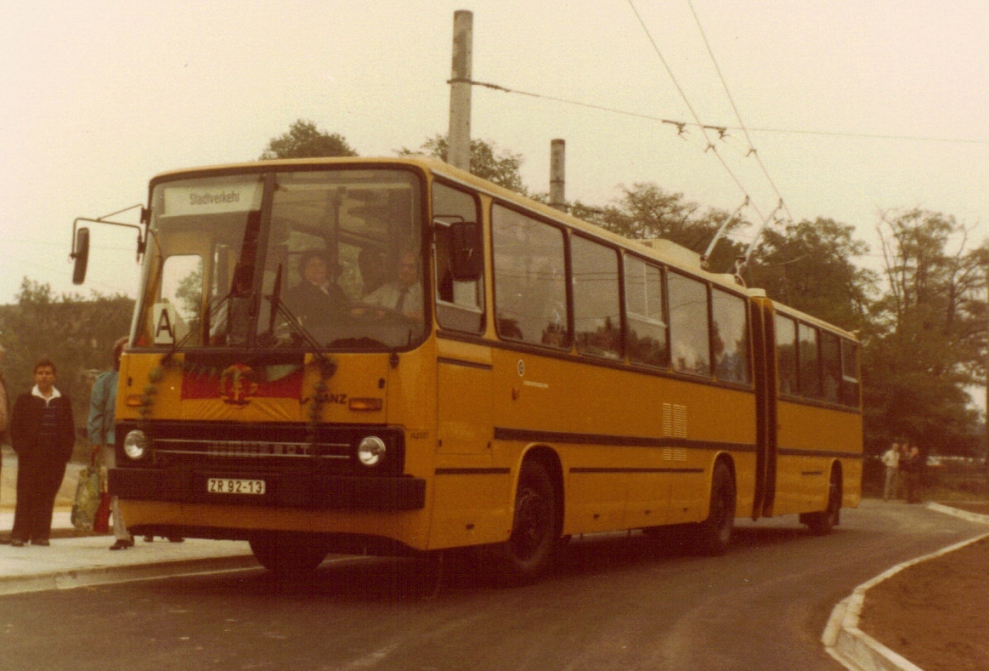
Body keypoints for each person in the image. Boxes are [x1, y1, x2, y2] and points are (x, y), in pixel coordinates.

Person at [9, 358, 76, 547]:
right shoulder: (25, 399)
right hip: (30, 456)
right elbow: (15, 427)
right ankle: (19, 534)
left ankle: (40, 535)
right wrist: (21, 449)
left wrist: (65, 453)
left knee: (46, 495)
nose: (44, 376)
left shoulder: (63, 400)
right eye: (40, 373)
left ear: (54, 376)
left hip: (55, 457)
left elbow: (69, 429)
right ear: (35, 376)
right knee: (26, 495)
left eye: (48, 373)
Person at [88, 337, 134, 550]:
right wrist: (95, 440)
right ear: (117, 356)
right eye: (123, 351)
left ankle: (135, 528)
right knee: (117, 488)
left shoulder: (146, 379)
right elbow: (96, 411)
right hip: (111, 441)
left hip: (137, 444)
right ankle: (122, 535)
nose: (127, 354)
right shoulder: (106, 381)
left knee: (134, 487)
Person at [283, 250, 351, 328]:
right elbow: (300, 323)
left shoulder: (336, 289)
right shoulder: (295, 293)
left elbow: (346, 310)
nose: (317, 268)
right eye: (312, 265)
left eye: (321, 264)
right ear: (303, 270)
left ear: (327, 268)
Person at [358, 249, 423, 320]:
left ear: (418, 270)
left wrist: (406, 315)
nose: (405, 270)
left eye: (411, 267)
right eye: (402, 266)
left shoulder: (426, 294)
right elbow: (362, 305)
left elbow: (429, 316)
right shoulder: (388, 288)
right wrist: (372, 311)